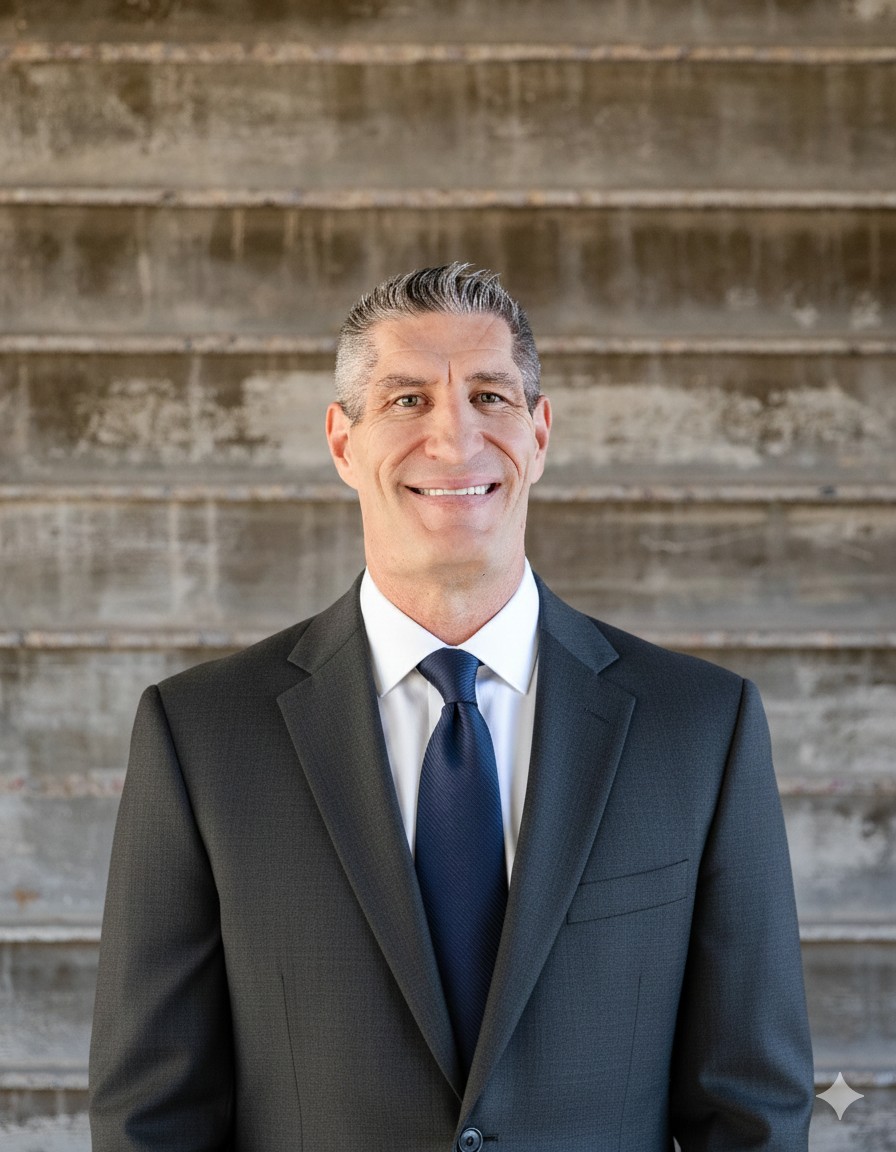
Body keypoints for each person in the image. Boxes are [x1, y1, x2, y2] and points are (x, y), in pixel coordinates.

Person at [89, 263, 814, 1151]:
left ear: (539, 434)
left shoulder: (701, 727)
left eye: (490, 396)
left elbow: (752, 1107)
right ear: (341, 443)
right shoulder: (200, 735)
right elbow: (151, 1115)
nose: (455, 438)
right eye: (405, 401)